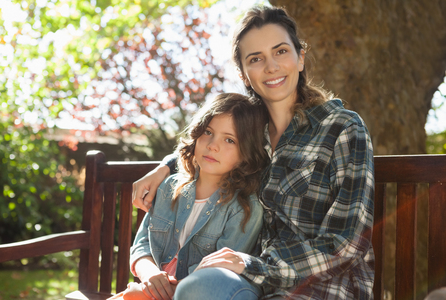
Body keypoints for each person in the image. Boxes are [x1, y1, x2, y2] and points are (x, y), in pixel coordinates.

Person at [132, 5, 375, 300]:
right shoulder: (248, 132)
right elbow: (208, 149)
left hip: (319, 287)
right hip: (250, 281)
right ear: (244, 74)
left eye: (281, 51)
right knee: (200, 287)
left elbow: (347, 244)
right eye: (256, 59)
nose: (271, 66)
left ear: (300, 58)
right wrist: (164, 168)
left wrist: (255, 265)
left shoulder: (341, 128)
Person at [112, 93, 269, 300]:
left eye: (229, 139)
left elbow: (216, 276)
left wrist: (146, 293)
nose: (213, 145)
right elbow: (142, 244)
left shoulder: (245, 208)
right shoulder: (169, 186)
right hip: (151, 290)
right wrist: (149, 276)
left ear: (246, 153)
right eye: (208, 132)